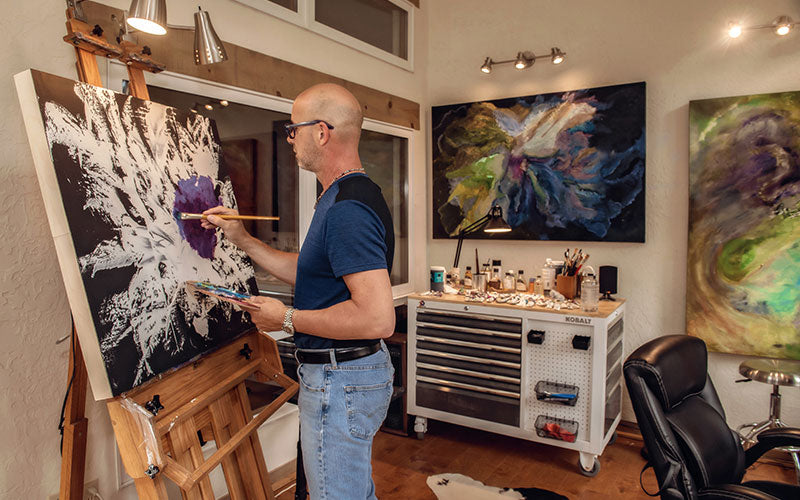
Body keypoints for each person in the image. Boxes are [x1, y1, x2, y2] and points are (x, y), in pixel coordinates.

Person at [201, 83, 395, 500]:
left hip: (342, 377)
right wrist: (243, 239)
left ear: (321, 132)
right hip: (344, 375)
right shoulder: (343, 194)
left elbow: (377, 317)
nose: (290, 139)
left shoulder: (347, 209)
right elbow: (311, 273)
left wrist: (284, 319)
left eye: (294, 129)